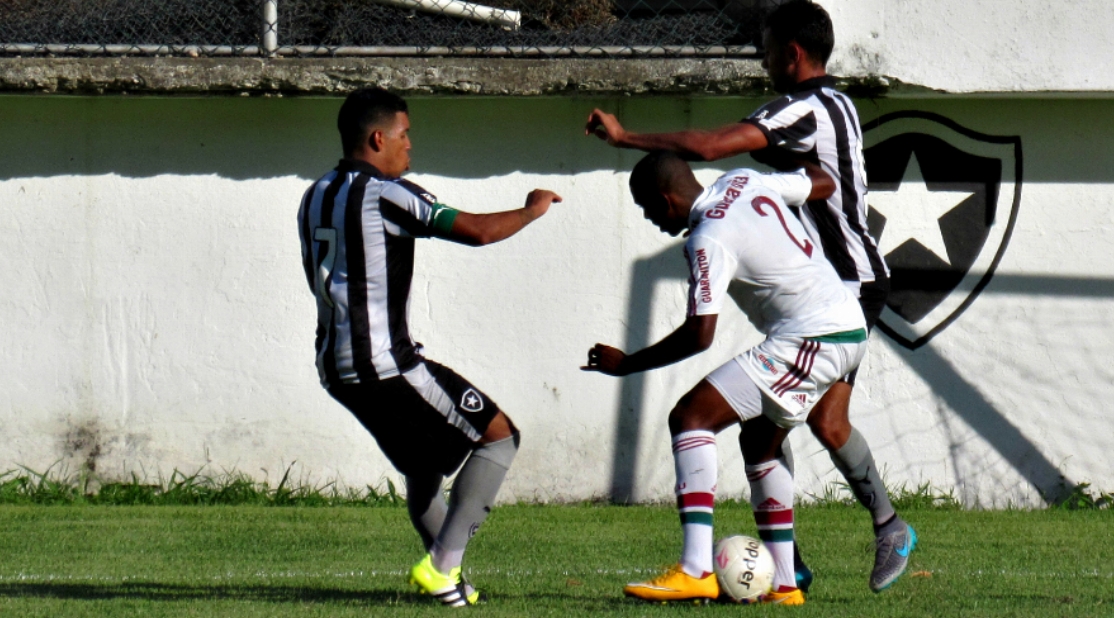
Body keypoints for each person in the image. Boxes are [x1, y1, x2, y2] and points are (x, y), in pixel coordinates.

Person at [584, 0, 915, 593]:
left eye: (766, 51)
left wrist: (626, 135)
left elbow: (711, 146)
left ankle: (884, 527)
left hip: (847, 282)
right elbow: (821, 180)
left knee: (820, 421)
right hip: (835, 286)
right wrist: (777, 192)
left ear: (792, 53)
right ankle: (788, 573)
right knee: (763, 434)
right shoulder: (835, 105)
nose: (762, 62)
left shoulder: (800, 109)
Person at [584, 152, 898, 606]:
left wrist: (628, 364)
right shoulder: (745, 180)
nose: (650, 219)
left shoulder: (707, 238)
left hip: (813, 336)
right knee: (759, 444)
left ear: (666, 199)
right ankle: (785, 586)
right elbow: (822, 182)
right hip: (845, 324)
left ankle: (695, 569)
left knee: (690, 418)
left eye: (647, 208)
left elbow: (699, 335)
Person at [298, 87, 563, 607]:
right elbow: (478, 232)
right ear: (378, 139)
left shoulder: (316, 193)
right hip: (385, 364)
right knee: (499, 437)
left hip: (335, 365)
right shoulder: (385, 194)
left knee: (423, 469)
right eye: (405, 134)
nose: (410, 145)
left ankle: (449, 589)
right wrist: (531, 210)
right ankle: (442, 568)